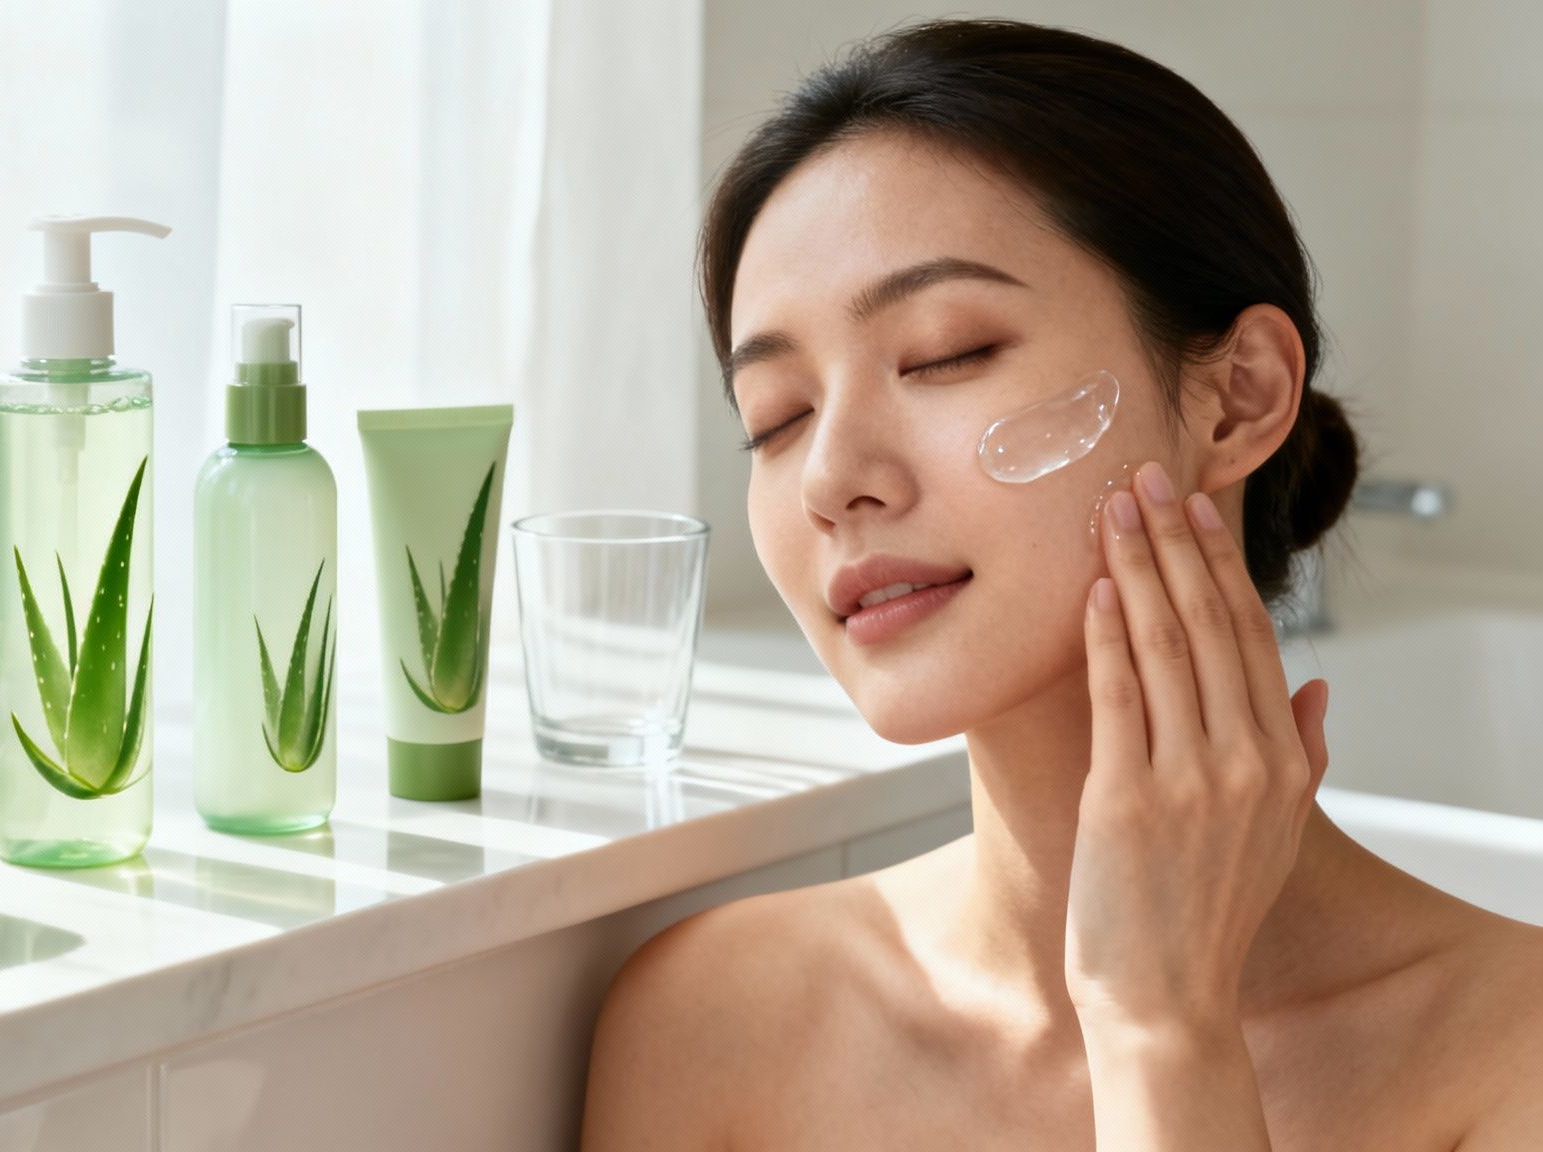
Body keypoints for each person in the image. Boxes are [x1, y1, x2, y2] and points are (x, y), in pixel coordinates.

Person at [580, 19, 1543, 1150]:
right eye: (775, 419)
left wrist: (1157, 1031)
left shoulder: (1505, 1058)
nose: (831, 478)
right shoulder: (715, 1019)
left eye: (944, 351)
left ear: (1236, 396)